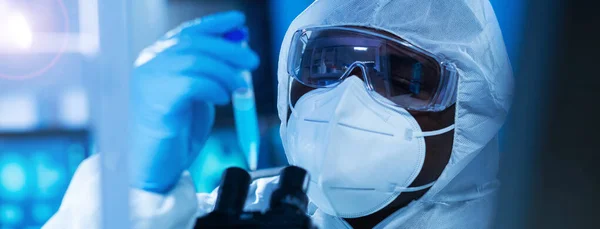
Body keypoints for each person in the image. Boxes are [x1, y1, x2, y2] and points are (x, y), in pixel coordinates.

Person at [43, 0, 513, 228]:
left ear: (471, 111)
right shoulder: (230, 216)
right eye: (326, 66)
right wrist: (132, 191)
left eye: (404, 78)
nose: (350, 97)